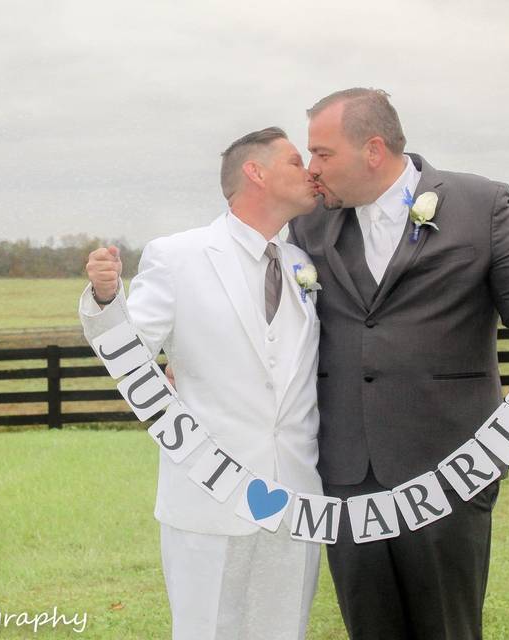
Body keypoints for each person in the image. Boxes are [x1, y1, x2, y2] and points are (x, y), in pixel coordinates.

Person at [287, 88, 509, 640]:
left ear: (373, 150)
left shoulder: (482, 202)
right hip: (347, 471)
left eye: (323, 153)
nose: (313, 168)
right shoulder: (309, 225)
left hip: (451, 466)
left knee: (448, 630)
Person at [79, 127, 324, 640]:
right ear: (255, 172)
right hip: (208, 491)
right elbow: (132, 350)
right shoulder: (178, 256)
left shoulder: (302, 264)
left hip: (296, 496)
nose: (311, 172)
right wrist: (106, 299)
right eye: (296, 161)